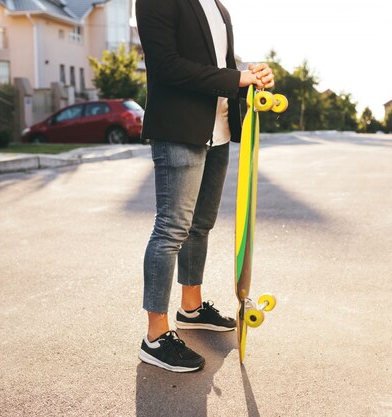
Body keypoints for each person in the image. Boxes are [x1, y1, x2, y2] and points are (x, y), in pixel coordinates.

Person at [135, 0, 275, 373]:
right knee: (171, 230)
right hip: (179, 130)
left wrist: (251, 77)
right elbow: (166, 67)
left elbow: (221, 69)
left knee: (201, 226)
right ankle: (155, 336)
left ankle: (191, 309)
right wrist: (237, 78)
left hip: (219, 130)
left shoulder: (217, 6)